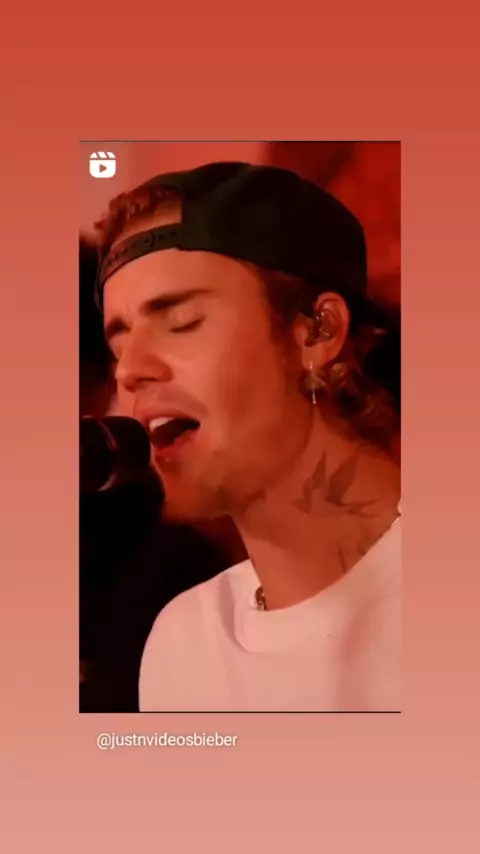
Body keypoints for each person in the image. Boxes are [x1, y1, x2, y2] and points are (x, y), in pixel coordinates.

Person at [94, 161, 401, 712]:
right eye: (118, 347)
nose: (129, 372)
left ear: (318, 331)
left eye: (182, 322)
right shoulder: (182, 645)